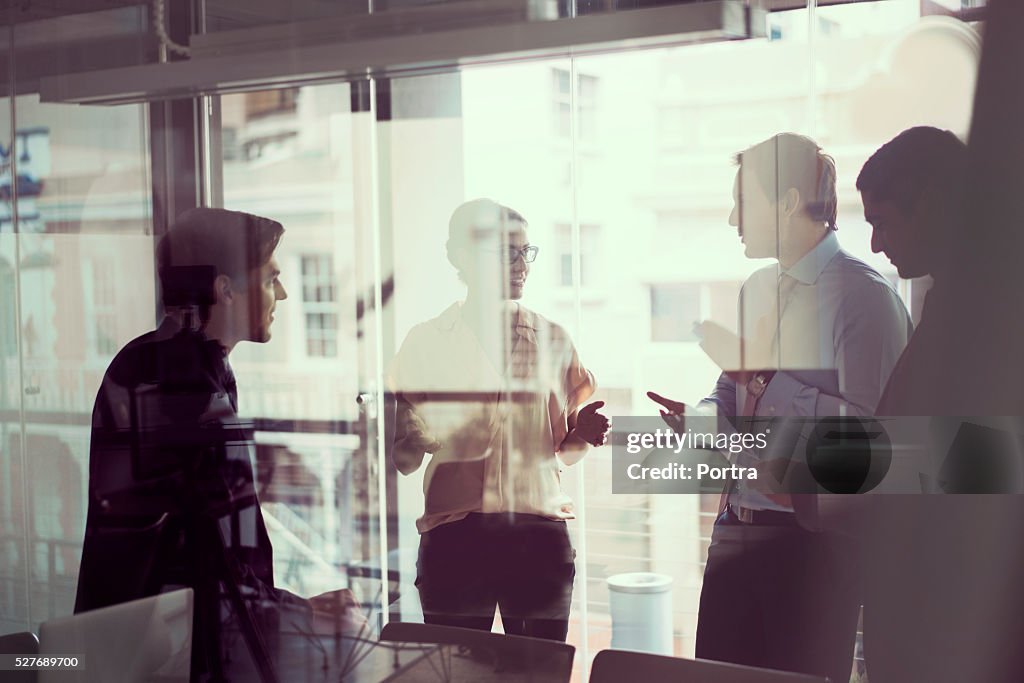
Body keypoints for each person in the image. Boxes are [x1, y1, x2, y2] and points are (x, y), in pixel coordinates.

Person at [648, 133, 911, 683]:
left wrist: (769, 382)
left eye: (742, 202)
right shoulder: (757, 289)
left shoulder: (866, 299)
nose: (731, 218)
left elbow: (866, 442)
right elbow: (735, 389)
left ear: (788, 203)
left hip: (809, 551)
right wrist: (700, 418)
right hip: (734, 530)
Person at [74, 208, 351, 680]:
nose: (282, 293)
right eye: (271, 279)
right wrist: (312, 613)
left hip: (144, 642)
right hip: (162, 655)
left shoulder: (165, 360)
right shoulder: (184, 383)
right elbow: (222, 557)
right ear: (225, 289)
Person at [387, 199, 609, 642]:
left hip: (538, 538)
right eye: (507, 252)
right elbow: (404, 460)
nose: (521, 264)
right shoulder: (425, 343)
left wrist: (581, 434)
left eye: (526, 252)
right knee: (454, 672)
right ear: (461, 257)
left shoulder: (553, 339)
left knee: (538, 674)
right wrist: (412, 436)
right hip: (454, 541)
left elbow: (564, 450)